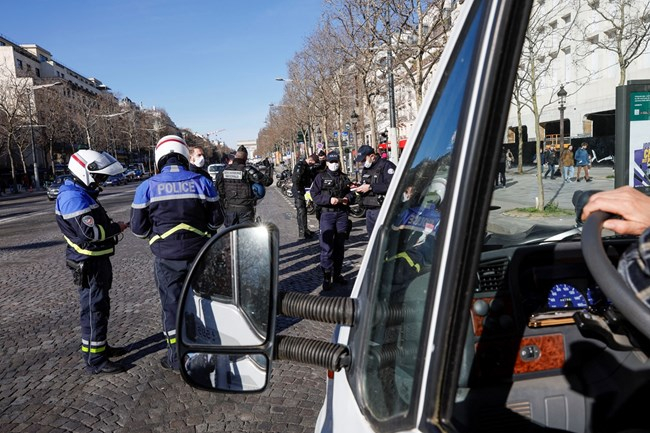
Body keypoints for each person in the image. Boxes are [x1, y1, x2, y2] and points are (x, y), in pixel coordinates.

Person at [130, 135, 224, 371]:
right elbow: (216, 221)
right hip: (200, 255)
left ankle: (176, 357)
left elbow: (138, 230)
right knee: (205, 302)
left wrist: (159, 234)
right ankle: (209, 347)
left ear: (158, 158)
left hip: (166, 259)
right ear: (184, 155)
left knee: (171, 306)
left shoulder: (147, 187)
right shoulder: (202, 182)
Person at [55, 149, 129, 374]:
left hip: (94, 260)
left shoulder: (78, 193)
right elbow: (90, 232)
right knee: (93, 309)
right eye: (99, 177)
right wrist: (116, 227)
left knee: (99, 307)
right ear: (85, 172)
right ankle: (95, 360)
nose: (102, 181)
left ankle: (99, 347)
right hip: (88, 262)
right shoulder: (73, 197)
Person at [311, 151, 356, 290]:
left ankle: (337, 275)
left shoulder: (344, 177)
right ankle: (326, 277)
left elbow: (352, 192)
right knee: (327, 247)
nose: (334, 164)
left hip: (342, 214)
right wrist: (329, 200)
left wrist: (348, 198)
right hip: (327, 215)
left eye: (336, 161)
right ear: (327, 163)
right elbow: (314, 195)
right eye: (331, 162)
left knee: (340, 246)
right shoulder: (320, 177)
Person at [215, 146, 272, 227]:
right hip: (246, 210)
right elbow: (267, 181)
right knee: (246, 236)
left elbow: (219, 191)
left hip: (229, 210)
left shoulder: (223, 171)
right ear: (245, 158)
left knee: (231, 236)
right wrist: (269, 171)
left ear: (235, 156)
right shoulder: (248, 170)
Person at [353, 145, 396, 236]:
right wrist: (359, 187)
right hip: (369, 210)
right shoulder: (366, 168)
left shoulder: (386, 166)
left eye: (364, 160)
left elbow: (393, 186)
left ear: (372, 156)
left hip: (382, 209)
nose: (362, 163)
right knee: (372, 240)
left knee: (383, 239)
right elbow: (365, 183)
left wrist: (371, 187)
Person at [291, 153, 318, 240]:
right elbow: (296, 179)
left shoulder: (305, 166)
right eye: (314, 162)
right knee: (301, 211)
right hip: (298, 190)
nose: (314, 164)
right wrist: (299, 191)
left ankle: (305, 230)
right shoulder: (300, 165)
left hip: (301, 189)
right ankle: (302, 232)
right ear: (311, 160)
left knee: (303, 211)